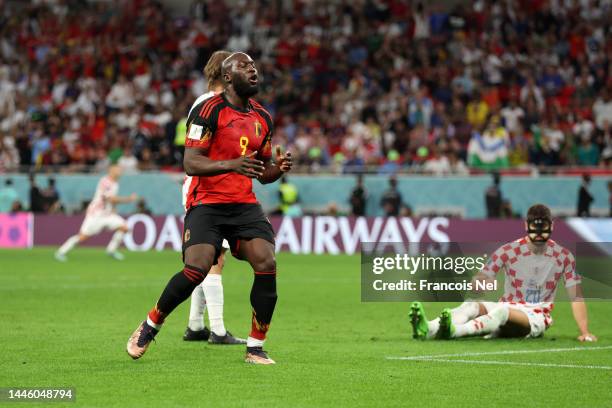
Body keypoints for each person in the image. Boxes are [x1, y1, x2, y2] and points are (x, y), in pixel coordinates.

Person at [127, 52, 293, 365]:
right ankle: (150, 325)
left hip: (244, 205)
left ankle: (255, 348)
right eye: (244, 66)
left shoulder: (262, 118)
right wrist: (232, 164)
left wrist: (278, 169)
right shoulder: (208, 110)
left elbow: (263, 172)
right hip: (207, 204)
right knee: (196, 268)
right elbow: (190, 162)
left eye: (254, 66)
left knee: (266, 261)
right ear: (227, 77)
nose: (253, 71)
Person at [410, 204, 597, 342]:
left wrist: (584, 331)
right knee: (472, 306)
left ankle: (452, 332)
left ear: (552, 226)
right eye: (535, 227)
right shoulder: (508, 250)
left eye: (543, 227)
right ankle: (429, 327)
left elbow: (576, 297)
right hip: (507, 308)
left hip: (535, 317)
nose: (539, 233)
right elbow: (483, 277)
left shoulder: (564, 256)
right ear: (526, 225)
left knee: (501, 311)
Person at [181, 50, 246, 345]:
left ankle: (196, 325)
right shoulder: (212, 105)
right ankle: (218, 330)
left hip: (206, 186)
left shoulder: (203, 101)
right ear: (228, 73)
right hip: (208, 189)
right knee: (215, 258)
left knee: (205, 259)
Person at [55, 165, 138, 261]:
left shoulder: (115, 184)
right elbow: (110, 198)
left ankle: (111, 250)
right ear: (111, 170)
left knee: (125, 227)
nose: (120, 172)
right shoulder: (105, 182)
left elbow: (112, 200)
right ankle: (61, 252)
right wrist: (129, 199)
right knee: (82, 237)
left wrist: (114, 210)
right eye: (117, 170)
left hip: (107, 214)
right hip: (96, 214)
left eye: (120, 170)